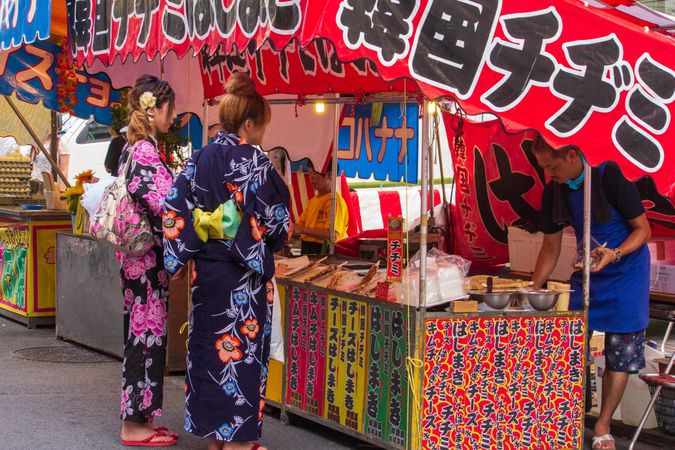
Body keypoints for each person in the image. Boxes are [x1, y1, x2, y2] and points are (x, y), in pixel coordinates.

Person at [162, 72, 290, 450]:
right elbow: (279, 224)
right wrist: (260, 239)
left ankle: (215, 437)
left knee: (209, 350)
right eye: (263, 125)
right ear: (250, 124)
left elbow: (174, 207)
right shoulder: (257, 163)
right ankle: (237, 441)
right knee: (242, 353)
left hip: (206, 273)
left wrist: (181, 253)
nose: (264, 133)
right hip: (243, 278)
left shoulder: (198, 158)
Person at [530, 136, 651, 450]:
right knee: (565, 342)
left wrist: (615, 254)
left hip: (626, 271)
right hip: (588, 271)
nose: (548, 174)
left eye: (552, 166)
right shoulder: (554, 189)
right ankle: (563, 416)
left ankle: (603, 424)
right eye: (543, 167)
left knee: (620, 354)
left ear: (572, 155)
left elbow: (643, 229)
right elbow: (550, 246)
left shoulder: (609, 173)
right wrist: (533, 289)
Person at [118, 75, 178, 447]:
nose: (172, 115)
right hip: (145, 262)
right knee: (145, 337)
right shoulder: (143, 150)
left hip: (139, 259)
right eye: (170, 108)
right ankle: (133, 424)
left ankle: (142, 417)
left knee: (143, 336)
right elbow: (161, 200)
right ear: (153, 108)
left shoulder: (135, 146)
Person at [293, 162, 349, 254]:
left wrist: (302, 230)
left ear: (330, 175)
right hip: (307, 248)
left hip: (325, 251)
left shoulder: (335, 201)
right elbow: (297, 227)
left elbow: (332, 235)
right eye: (310, 173)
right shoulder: (312, 201)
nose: (311, 177)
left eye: (314, 173)